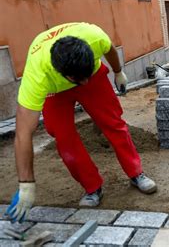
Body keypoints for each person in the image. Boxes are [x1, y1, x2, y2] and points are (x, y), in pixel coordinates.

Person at [5, 22, 157, 223]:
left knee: (113, 123)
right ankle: (92, 187)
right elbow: (23, 133)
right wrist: (26, 184)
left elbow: (110, 49)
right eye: (79, 80)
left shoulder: (94, 36)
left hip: (95, 75)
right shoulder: (37, 76)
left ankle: (136, 173)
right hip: (56, 91)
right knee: (63, 137)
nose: (83, 84)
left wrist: (118, 72)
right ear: (64, 74)